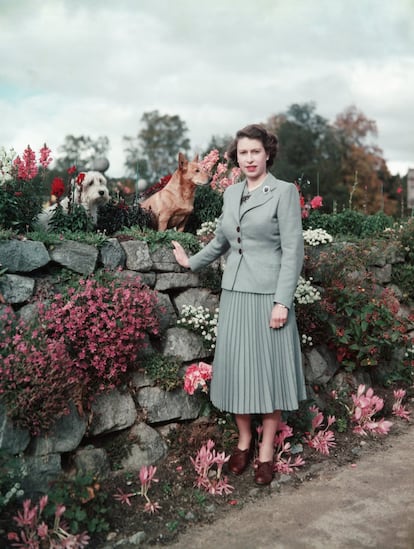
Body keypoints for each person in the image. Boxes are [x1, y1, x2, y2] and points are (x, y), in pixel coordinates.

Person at [172, 124, 306, 485]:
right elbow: (220, 241)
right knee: (239, 372)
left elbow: (294, 252)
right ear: (238, 156)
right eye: (243, 152)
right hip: (235, 295)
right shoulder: (231, 195)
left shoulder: (284, 192)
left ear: (267, 154)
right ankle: (244, 442)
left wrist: (283, 301)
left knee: (270, 374)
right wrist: (191, 262)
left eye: (255, 152)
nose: (249, 158)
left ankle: (265, 452)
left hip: (268, 299)